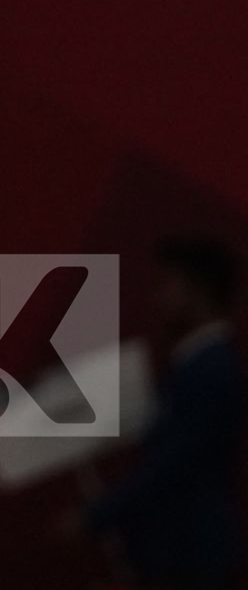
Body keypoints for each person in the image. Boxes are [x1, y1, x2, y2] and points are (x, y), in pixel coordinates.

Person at [83, 237, 244, 589]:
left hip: (193, 559)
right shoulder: (194, 366)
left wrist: (97, 515)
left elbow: (171, 465)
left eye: (166, 286)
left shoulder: (212, 369)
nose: (157, 300)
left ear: (197, 290)